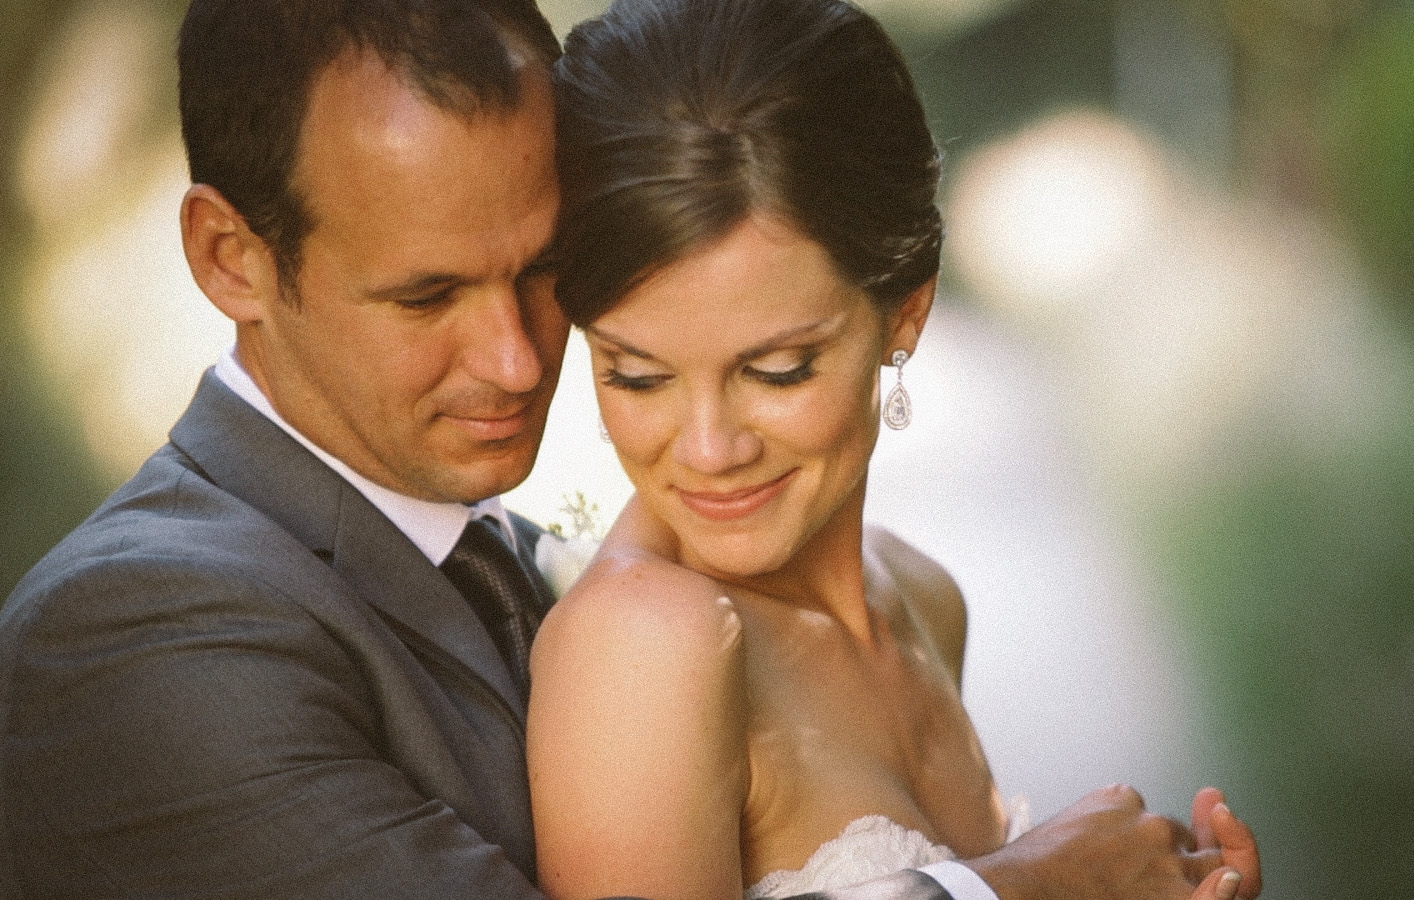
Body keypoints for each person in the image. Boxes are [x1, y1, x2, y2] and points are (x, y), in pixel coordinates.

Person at [0, 1, 1255, 899]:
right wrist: (1015, 891)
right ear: (232, 258)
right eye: (427, 295)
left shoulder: (571, 564)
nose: (513, 359)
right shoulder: (135, 629)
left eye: (546, 274)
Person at [529, 2, 1260, 900]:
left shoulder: (923, 598)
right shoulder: (645, 644)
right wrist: (1035, 882)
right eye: (636, 375)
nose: (710, 449)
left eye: (778, 370)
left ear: (905, 313)